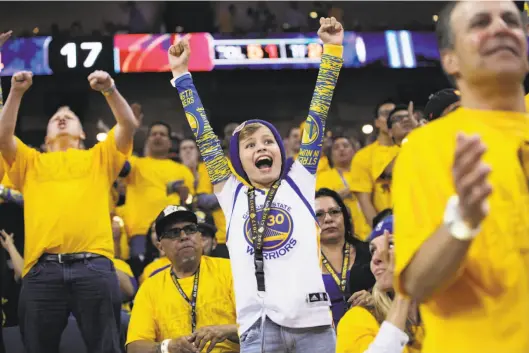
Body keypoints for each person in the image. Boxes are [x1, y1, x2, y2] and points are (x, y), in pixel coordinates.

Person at [169, 17, 344, 353]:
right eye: (250, 145)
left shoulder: (300, 179)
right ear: (237, 161)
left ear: (281, 150)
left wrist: (332, 51)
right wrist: (181, 75)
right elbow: (204, 136)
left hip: (314, 324)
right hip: (258, 328)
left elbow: (318, 112)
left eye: (268, 141)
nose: (261, 148)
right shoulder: (231, 193)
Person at [393, 2, 529, 353]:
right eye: (481, 23)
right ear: (450, 59)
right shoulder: (426, 146)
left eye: (511, 21)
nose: (502, 28)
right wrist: (462, 221)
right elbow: (418, 284)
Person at [0, 69, 138, 353]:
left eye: (70, 117)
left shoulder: (100, 157)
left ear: (83, 133)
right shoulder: (30, 162)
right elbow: (3, 137)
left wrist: (110, 89)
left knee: (106, 348)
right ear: (46, 136)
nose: (62, 119)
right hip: (41, 270)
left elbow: (128, 124)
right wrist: (15, 93)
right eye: (55, 118)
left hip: (95, 267)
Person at [126, 205, 239, 353]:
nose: (184, 236)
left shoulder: (230, 270)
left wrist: (226, 331)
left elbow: (262, 326)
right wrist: (168, 347)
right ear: (160, 247)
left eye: (191, 229)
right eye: (173, 233)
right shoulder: (150, 287)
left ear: (199, 237)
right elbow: (134, 348)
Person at [336, 214, 423, 353]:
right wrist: (403, 291)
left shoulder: (442, 311)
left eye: (391, 245)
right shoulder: (358, 319)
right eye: (373, 250)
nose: (376, 258)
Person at [119, 121, 195, 277]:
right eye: (153, 134)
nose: (157, 137)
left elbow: (190, 201)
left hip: (171, 230)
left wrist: (185, 195)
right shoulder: (135, 164)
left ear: (169, 141)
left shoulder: (182, 170)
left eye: (162, 134)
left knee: (176, 274)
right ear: (147, 140)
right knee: (141, 274)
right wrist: (127, 128)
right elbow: (119, 165)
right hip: (139, 231)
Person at [315, 188, 375, 326]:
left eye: (334, 212)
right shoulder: (301, 263)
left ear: (345, 216)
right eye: (319, 214)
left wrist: (375, 299)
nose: (328, 219)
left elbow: (394, 293)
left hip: (368, 333)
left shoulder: (371, 253)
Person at [350, 100, 400, 229]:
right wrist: (381, 231)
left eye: (395, 115)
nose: (390, 118)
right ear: (377, 122)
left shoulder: (414, 147)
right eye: (386, 114)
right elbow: (365, 203)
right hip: (385, 231)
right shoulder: (363, 156)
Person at [316, 136, 370, 240]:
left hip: (370, 230)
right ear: (331, 156)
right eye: (336, 148)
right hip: (343, 234)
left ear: (355, 151)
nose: (341, 149)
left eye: (345, 146)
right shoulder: (323, 177)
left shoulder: (365, 173)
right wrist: (341, 194)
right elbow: (320, 202)